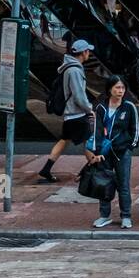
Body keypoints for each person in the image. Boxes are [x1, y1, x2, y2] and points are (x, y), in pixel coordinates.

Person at [85, 76, 139, 230]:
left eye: (122, 88)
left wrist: (130, 146)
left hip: (122, 152)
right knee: (104, 183)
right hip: (104, 152)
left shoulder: (129, 107)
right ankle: (104, 215)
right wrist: (96, 152)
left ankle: (126, 216)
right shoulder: (101, 108)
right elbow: (97, 131)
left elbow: (135, 129)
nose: (120, 91)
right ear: (110, 89)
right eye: (117, 87)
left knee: (123, 184)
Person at [37, 39, 94, 183]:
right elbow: (79, 95)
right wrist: (89, 109)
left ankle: (46, 169)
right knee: (88, 143)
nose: (89, 53)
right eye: (88, 51)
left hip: (70, 116)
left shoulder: (69, 67)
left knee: (63, 141)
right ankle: (93, 171)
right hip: (77, 115)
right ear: (83, 52)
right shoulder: (74, 70)